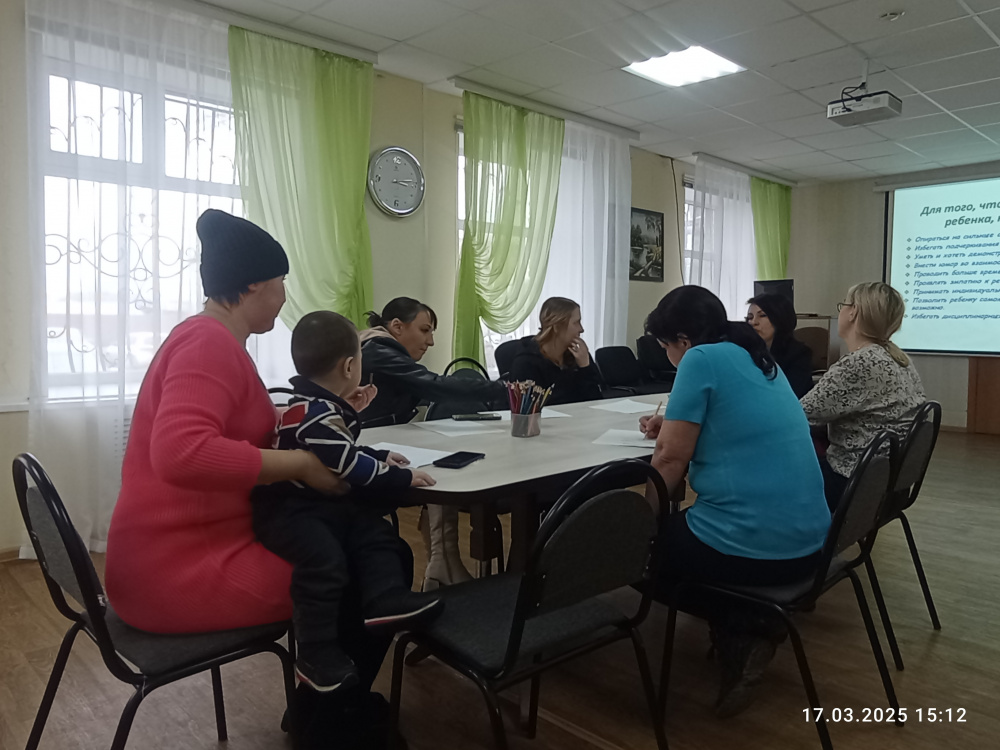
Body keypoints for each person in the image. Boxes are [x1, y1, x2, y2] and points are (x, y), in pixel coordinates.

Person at [105, 209, 406, 748]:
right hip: (176, 570)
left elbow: (242, 425)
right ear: (251, 286)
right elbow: (181, 453)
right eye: (281, 282)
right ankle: (333, 723)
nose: (285, 296)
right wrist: (302, 465)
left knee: (355, 544)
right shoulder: (208, 344)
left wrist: (331, 413)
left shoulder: (207, 338)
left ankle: (322, 708)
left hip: (171, 551)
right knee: (367, 567)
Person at [639, 286, 830, 718]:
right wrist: (673, 421)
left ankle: (745, 625)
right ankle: (747, 621)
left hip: (756, 548)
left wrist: (642, 523)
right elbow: (736, 417)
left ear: (683, 340)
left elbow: (669, 459)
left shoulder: (699, 359)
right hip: (812, 544)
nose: (669, 356)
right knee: (673, 538)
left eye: (666, 346)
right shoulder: (757, 356)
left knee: (638, 555)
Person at [251, 311, 443, 693]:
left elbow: (339, 451)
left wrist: (379, 454)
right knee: (325, 562)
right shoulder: (315, 415)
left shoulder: (315, 406)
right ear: (351, 367)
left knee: (375, 532)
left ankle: (385, 599)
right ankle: (314, 653)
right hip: (288, 512)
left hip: (314, 505)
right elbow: (348, 464)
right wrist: (401, 477)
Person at [360, 297, 505, 589]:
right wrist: (499, 388)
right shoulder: (378, 351)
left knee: (442, 460)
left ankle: (442, 564)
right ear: (397, 326)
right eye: (425, 330)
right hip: (368, 454)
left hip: (380, 442)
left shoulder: (377, 349)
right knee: (442, 467)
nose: (431, 342)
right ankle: (443, 563)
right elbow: (433, 385)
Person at [800, 281, 926, 511]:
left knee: (774, 471)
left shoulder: (858, 364)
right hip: (889, 483)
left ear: (853, 312)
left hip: (853, 483)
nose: (841, 311)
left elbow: (799, 416)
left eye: (843, 305)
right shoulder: (899, 358)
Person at [508, 297, 604, 406]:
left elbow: (596, 402)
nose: (581, 329)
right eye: (576, 322)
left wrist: (585, 367)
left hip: (578, 416)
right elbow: (531, 407)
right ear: (557, 327)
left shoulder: (578, 356)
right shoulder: (527, 362)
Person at [746, 293, 815, 398]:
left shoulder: (799, 354)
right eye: (750, 317)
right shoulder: (745, 351)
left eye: (762, 315)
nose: (753, 322)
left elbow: (790, 394)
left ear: (779, 318)